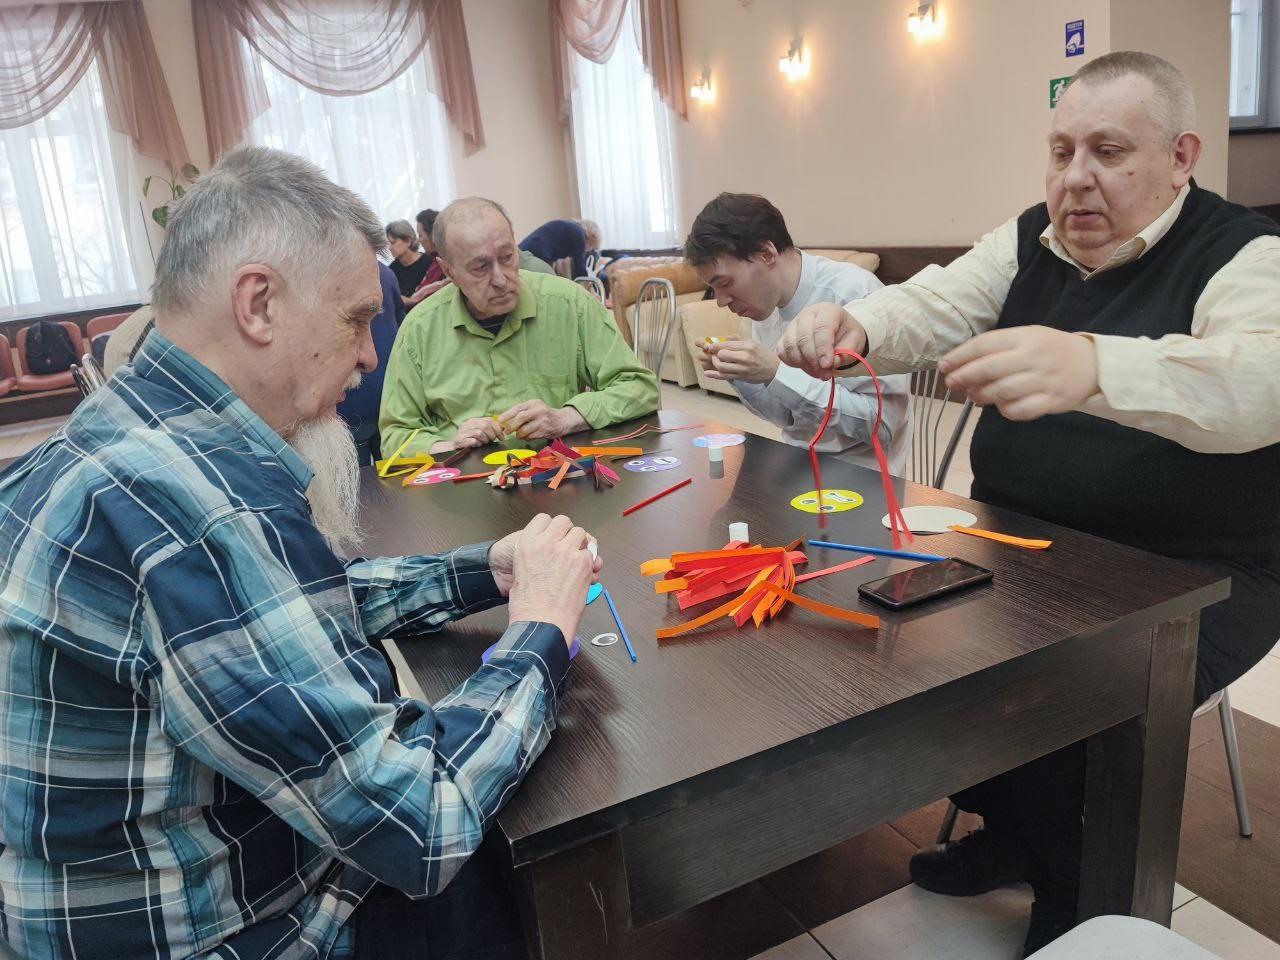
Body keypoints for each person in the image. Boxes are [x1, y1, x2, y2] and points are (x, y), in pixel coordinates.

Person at [0, 146, 604, 960]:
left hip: (98, 909)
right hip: (237, 932)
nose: (369, 355)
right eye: (355, 319)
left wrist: (478, 572)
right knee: (517, 867)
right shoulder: (203, 515)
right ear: (259, 304)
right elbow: (421, 821)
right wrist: (539, 633)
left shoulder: (120, 439)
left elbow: (272, 610)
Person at [774, 51, 1280, 957]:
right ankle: (1015, 834)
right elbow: (933, 304)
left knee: (1065, 690)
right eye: (1060, 151)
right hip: (1031, 544)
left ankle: (1081, 898)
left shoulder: (1246, 254)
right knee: (920, 647)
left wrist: (1094, 363)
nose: (1075, 178)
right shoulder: (1030, 241)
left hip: (1201, 569)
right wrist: (860, 326)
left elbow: (1258, 384)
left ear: (1181, 156)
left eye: (1108, 152)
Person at [379, 198, 659, 456]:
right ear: (448, 271)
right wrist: (451, 445)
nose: (501, 279)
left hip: (558, 475)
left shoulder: (568, 304)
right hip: (463, 482)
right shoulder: (420, 328)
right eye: (480, 267)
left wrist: (567, 417)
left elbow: (639, 388)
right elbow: (395, 435)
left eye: (507, 257)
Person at [684, 192, 912, 473]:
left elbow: (882, 425)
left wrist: (776, 373)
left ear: (767, 254)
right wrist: (741, 374)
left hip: (865, 474)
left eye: (725, 283)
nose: (720, 301)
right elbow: (786, 417)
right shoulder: (765, 306)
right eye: (713, 288)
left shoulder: (853, 292)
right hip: (799, 464)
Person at [337, 260, 406, 462]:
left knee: (358, 476)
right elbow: (401, 323)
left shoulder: (332, 270)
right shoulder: (385, 273)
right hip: (392, 396)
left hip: (351, 403)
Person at [518, 217, 600, 280]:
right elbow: (580, 270)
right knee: (550, 283)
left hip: (525, 250)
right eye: (591, 246)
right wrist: (587, 285)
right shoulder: (579, 234)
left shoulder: (570, 229)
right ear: (590, 237)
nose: (589, 250)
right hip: (539, 251)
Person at [386, 219, 430, 302]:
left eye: (393, 242)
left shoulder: (429, 263)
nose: (390, 248)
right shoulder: (391, 271)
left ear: (408, 241)